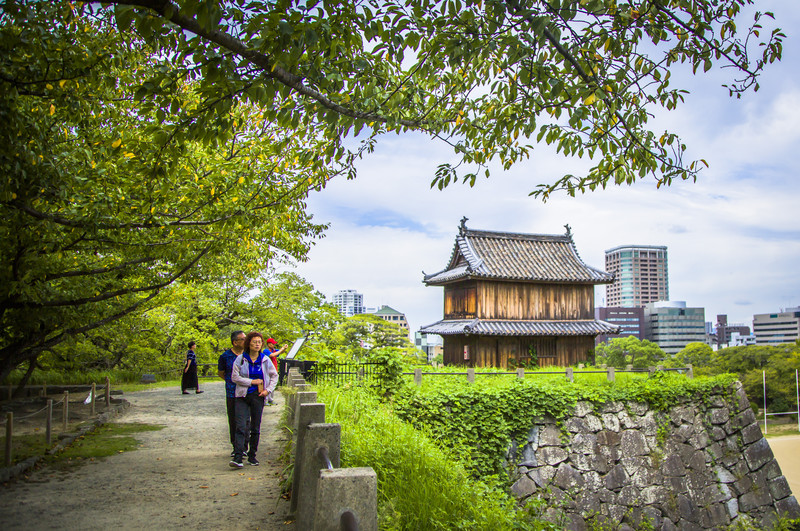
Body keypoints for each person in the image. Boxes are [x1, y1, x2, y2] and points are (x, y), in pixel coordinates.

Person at [230, 331, 278, 468]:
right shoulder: (240, 359)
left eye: (259, 342)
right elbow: (235, 377)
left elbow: (274, 376)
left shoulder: (265, 359)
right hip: (242, 396)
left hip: (258, 396)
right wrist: (252, 382)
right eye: (254, 342)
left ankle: (252, 455)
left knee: (255, 427)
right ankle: (238, 456)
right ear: (248, 343)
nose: (257, 344)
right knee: (240, 425)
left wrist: (267, 390)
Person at [217, 330, 248, 457]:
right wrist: (232, 381)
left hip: (246, 391)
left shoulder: (248, 355)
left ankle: (244, 446)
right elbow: (221, 372)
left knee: (246, 420)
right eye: (243, 339)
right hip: (231, 392)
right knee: (234, 419)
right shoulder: (225, 356)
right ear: (235, 342)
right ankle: (236, 446)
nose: (246, 341)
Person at [265, 338, 288, 405]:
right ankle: (266, 400)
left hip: (274, 369)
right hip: (267, 370)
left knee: (273, 384)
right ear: (269, 344)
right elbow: (272, 355)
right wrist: (281, 350)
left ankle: (270, 399)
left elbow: (280, 352)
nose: (274, 345)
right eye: (273, 344)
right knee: (267, 385)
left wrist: (284, 348)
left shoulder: (274, 350)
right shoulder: (266, 351)